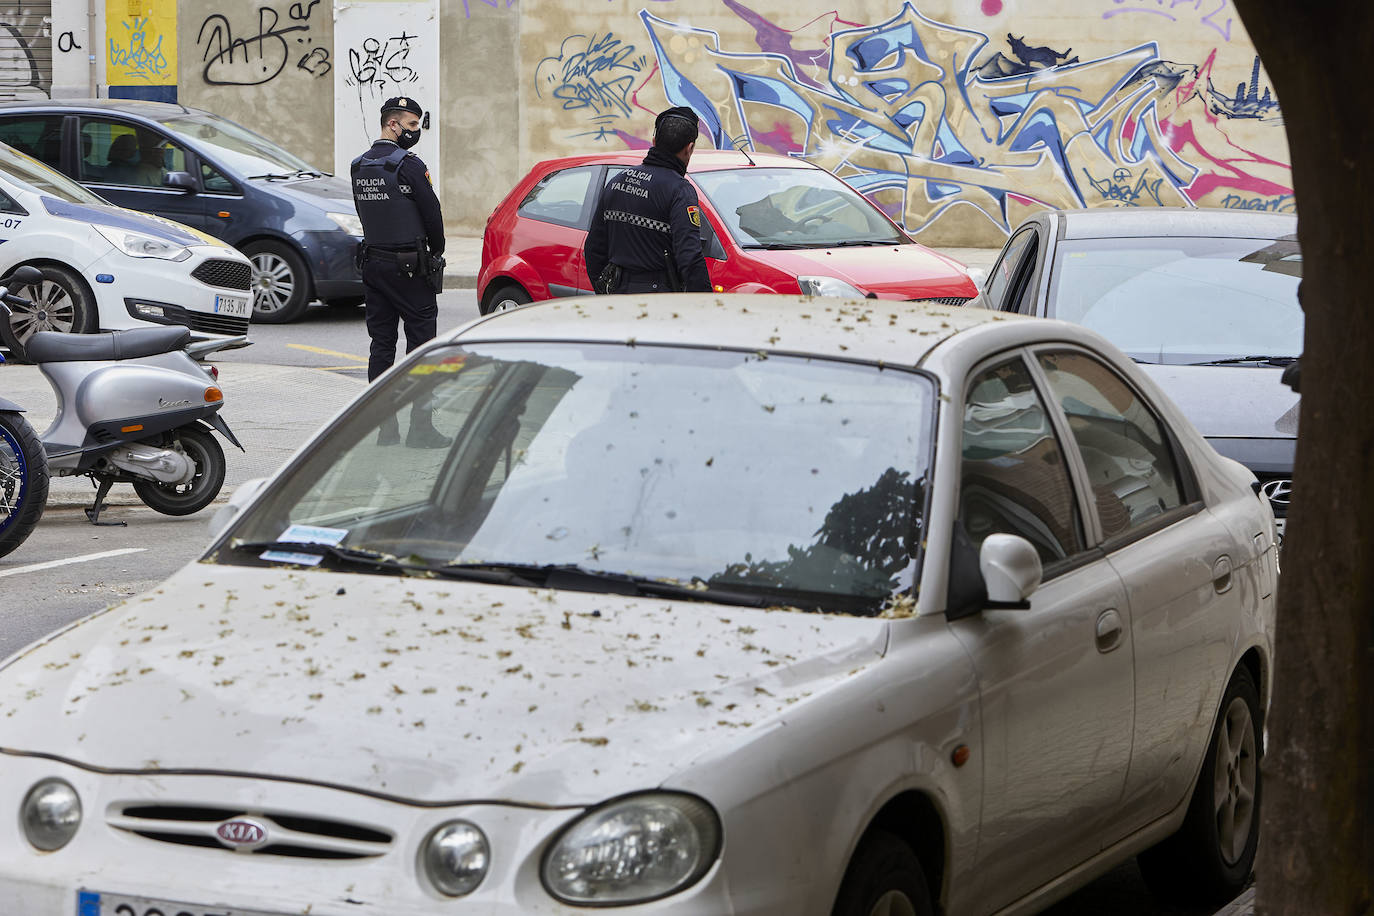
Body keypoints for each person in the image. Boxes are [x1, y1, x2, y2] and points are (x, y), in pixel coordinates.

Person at [350, 95, 449, 448]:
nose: (414, 132)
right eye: (410, 125)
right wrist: (435, 251)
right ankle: (421, 429)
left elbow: (364, 214)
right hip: (409, 267)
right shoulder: (408, 164)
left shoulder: (359, 166)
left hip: (374, 264)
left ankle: (385, 430)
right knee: (422, 347)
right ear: (392, 124)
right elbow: (432, 213)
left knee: (382, 346)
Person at [584, 106, 712, 295]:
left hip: (617, 296)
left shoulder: (617, 181)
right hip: (657, 302)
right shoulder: (680, 191)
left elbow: (594, 248)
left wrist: (603, 291)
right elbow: (690, 256)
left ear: (654, 141)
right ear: (690, 148)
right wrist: (706, 305)